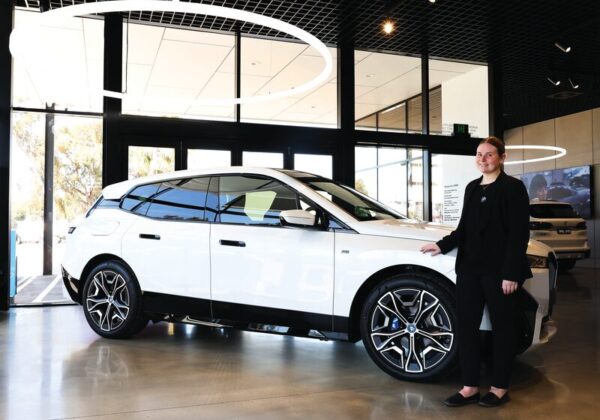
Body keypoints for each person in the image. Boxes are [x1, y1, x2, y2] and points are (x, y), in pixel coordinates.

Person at [420, 136, 532, 408]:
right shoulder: (471, 187)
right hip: (469, 270)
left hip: (499, 273)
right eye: (479, 154)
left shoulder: (512, 188)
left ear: (502, 158)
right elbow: (464, 230)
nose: (483, 159)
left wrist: (511, 273)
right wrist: (441, 245)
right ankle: (469, 387)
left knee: (503, 329)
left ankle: (499, 387)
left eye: (489, 155)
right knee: (466, 328)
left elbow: (519, 234)